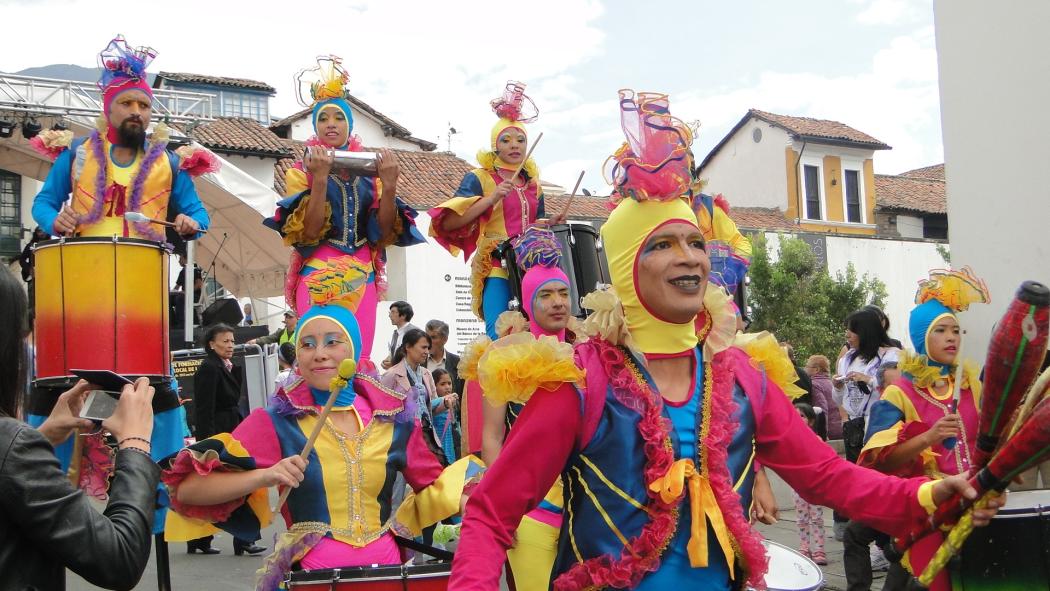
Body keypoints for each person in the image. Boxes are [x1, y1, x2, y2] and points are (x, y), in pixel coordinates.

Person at [448, 90, 1002, 591]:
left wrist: (928, 494)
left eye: (694, 241)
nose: (689, 255)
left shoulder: (742, 376)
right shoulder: (580, 382)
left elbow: (831, 478)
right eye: (663, 244)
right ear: (625, 268)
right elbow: (492, 513)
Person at [162, 268, 482, 590]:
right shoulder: (277, 420)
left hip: (384, 573)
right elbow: (188, 488)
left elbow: (437, 486)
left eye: (333, 342)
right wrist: (266, 475)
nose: (319, 354)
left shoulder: (392, 418)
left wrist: (489, 514)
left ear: (353, 350)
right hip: (310, 577)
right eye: (307, 344)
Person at [0, 264, 160, 590]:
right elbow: (119, 558)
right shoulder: (12, 446)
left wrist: (40, 435)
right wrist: (134, 444)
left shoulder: (13, 447)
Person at [265, 56, 423, 364]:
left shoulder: (369, 171)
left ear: (349, 124)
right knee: (316, 357)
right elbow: (307, 235)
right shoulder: (301, 172)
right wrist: (320, 179)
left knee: (358, 358)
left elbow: (382, 234)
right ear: (315, 126)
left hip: (363, 272)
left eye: (338, 117)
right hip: (317, 274)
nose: (331, 124)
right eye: (323, 118)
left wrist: (389, 186)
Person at [852, 268, 990, 591]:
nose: (952, 337)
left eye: (956, 330)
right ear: (921, 337)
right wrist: (928, 437)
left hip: (976, 508)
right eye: (940, 330)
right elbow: (878, 463)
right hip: (928, 513)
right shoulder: (900, 393)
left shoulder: (971, 387)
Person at [471, 226, 575, 591]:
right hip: (532, 512)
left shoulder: (589, 353)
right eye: (546, 295)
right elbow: (492, 437)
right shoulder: (504, 358)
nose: (558, 302)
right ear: (529, 302)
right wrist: (503, 510)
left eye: (563, 293)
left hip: (587, 512)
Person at [31, 35, 209, 241]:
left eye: (144, 106)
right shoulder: (77, 151)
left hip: (145, 267)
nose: (136, 112)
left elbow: (200, 215)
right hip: (85, 265)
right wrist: (55, 221)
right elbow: (44, 202)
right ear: (107, 110)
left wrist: (192, 223)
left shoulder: (170, 163)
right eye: (126, 103)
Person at [429, 81, 553, 339]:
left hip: (531, 265)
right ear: (495, 146)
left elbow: (536, 223)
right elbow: (449, 222)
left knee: (538, 333)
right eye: (506, 140)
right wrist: (491, 198)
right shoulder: (479, 178)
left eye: (521, 140)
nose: (514, 145)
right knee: (498, 333)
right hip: (497, 261)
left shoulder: (533, 184)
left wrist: (550, 222)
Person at [189, 323, 266, 556]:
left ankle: (228, 539)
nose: (230, 345)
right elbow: (204, 409)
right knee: (229, 486)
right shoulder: (209, 368)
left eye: (232, 340)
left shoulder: (226, 366)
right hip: (218, 436)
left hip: (233, 429)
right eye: (225, 341)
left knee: (235, 486)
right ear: (212, 344)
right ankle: (238, 538)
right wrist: (208, 443)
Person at [832, 306, 901, 539]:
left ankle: (883, 539)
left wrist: (868, 380)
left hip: (879, 425)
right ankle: (863, 534)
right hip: (854, 426)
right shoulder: (847, 358)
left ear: (866, 331)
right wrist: (838, 385)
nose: (848, 335)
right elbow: (838, 399)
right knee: (858, 481)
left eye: (852, 330)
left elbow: (895, 392)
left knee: (880, 480)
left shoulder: (891, 355)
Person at [380, 328, 448, 463]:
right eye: (423, 347)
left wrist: (444, 403)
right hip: (402, 441)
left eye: (428, 348)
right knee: (400, 483)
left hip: (426, 436)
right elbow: (382, 414)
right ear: (408, 347)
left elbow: (430, 408)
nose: (427, 352)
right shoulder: (391, 375)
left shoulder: (426, 374)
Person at [792, 402, 828, 566]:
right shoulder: (791, 439)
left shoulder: (817, 439)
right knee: (801, 519)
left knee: (817, 517)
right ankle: (804, 547)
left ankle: (819, 549)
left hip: (814, 484)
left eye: (802, 416)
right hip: (798, 485)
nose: (798, 419)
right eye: (795, 415)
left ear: (811, 421)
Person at [806, 354, 842, 440]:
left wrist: (823, 433)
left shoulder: (815, 385)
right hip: (840, 428)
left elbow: (821, 409)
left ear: (816, 369)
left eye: (807, 366)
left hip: (830, 431)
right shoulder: (831, 383)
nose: (805, 368)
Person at [425, 319, 463, 395]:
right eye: (427, 337)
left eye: (433, 337)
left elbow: (462, 394)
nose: (428, 341)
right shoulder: (418, 362)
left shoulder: (458, 363)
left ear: (445, 339)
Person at [432, 368, 460, 465]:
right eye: (442, 384)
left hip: (450, 448)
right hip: (436, 449)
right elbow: (428, 405)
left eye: (449, 383)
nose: (447, 387)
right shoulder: (434, 402)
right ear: (433, 386)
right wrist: (444, 399)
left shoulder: (452, 402)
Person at [383, 301, 419, 369]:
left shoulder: (414, 332)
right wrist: (387, 361)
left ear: (403, 315)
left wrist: (394, 365)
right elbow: (393, 354)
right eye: (390, 312)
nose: (390, 315)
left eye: (393, 312)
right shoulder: (396, 333)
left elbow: (415, 356)